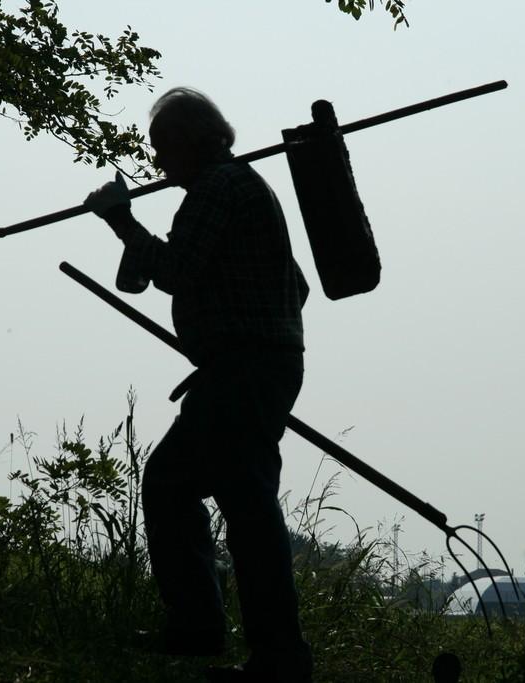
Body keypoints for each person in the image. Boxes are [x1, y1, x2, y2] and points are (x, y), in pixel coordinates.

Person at [84, 87, 313, 682]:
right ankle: (203, 629)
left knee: (239, 502)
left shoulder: (219, 188)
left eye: (163, 148)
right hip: (251, 365)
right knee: (181, 484)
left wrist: (121, 223)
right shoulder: (240, 188)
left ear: (193, 142)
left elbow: (177, 271)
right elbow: (295, 285)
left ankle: (272, 656)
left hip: (243, 368)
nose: (158, 162)